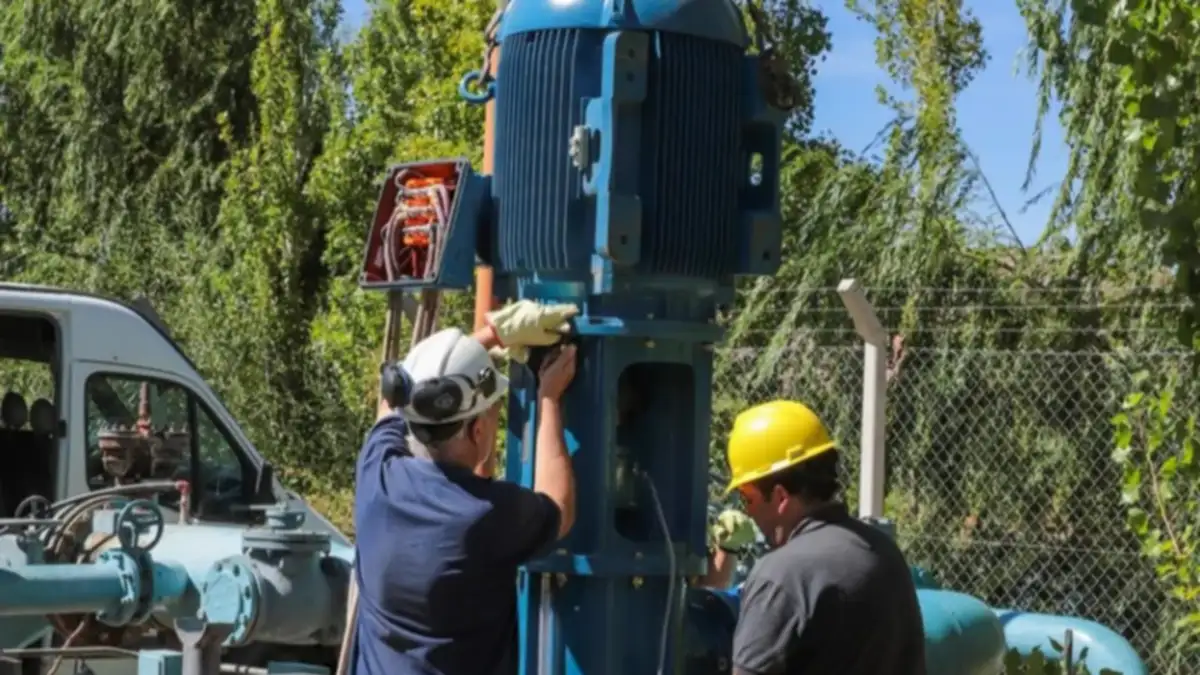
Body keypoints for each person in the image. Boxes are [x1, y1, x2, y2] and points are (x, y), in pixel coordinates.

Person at [353, 299, 580, 675]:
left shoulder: (377, 476)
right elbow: (560, 507)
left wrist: (491, 336)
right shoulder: (485, 514)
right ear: (477, 429)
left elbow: (393, 401)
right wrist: (549, 398)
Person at [723, 400, 926, 675]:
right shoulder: (885, 552)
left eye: (748, 498)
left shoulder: (782, 576)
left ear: (781, 497)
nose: (748, 512)